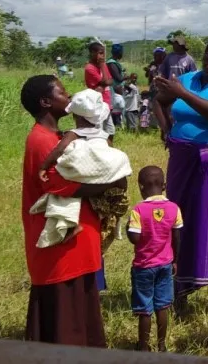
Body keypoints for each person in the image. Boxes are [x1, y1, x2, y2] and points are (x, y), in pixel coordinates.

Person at [20, 75, 127, 347]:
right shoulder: (42, 141)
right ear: (45, 102)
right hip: (61, 246)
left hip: (76, 244)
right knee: (65, 317)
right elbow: (61, 186)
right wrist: (111, 180)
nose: (69, 98)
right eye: (63, 93)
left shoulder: (59, 137)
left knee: (79, 309)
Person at [150, 37, 208, 316]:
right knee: (180, 219)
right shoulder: (189, 78)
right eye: (207, 58)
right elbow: (159, 100)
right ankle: (180, 292)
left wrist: (183, 94)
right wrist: (166, 127)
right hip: (182, 158)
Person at [34, 89, 131, 251]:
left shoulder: (73, 133)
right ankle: (111, 215)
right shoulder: (103, 135)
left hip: (83, 174)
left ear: (75, 116)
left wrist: (44, 166)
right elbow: (110, 154)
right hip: (104, 177)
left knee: (66, 197)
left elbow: (59, 150)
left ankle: (71, 225)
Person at [127, 166, 183, 352]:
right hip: (165, 264)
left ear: (141, 187)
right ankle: (161, 345)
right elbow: (176, 238)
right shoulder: (174, 209)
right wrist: (175, 260)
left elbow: (134, 239)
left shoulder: (138, 210)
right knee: (163, 306)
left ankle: (143, 347)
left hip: (143, 266)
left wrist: (129, 226)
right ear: (164, 186)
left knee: (145, 309)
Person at [84, 41, 115, 140]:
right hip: (97, 103)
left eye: (103, 53)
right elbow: (106, 80)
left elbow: (110, 81)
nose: (102, 56)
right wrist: (102, 66)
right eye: (100, 53)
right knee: (99, 132)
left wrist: (104, 82)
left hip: (106, 101)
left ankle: (110, 150)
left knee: (110, 130)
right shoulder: (90, 68)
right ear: (92, 53)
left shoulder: (103, 65)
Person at [108, 44, 127, 130]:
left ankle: (119, 126)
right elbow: (118, 78)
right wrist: (126, 77)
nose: (122, 54)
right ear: (118, 53)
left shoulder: (114, 62)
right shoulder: (111, 63)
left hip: (117, 90)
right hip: (114, 90)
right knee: (116, 109)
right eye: (122, 52)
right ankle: (116, 127)